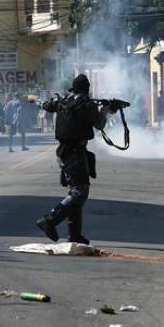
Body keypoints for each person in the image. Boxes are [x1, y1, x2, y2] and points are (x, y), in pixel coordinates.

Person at [36, 74, 115, 245]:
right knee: (80, 192)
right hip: (75, 151)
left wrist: (38, 100)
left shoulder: (64, 101)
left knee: (75, 192)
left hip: (64, 151)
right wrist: (104, 110)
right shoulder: (86, 104)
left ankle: (74, 234)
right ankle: (50, 220)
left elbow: (47, 105)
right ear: (87, 89)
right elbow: (99, 125)